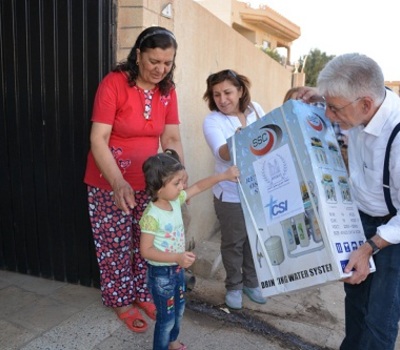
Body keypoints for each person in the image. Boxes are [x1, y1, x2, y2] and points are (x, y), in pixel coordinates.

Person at [84, 26, 186, 333]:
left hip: (150, 184)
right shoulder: (114, 83)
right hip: (108, 182)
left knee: (147, 241)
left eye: (167, 63)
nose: (160, 69)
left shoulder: (167, 92)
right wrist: (118, 183)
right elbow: (98, 139)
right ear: (138, 55)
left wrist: (178, 177)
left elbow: (171, 137)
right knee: (114, 245)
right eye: (154, 60)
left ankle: (143, 293)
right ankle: (121, 301)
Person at [296, 53, 400, 350]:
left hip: (394, 232)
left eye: (334, 107)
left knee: (380, 318)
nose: (328, 115)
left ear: (366, 104)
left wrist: (369, 248)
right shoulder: (365, 104)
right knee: (355, 302)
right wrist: (325, 96)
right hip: (361, 217)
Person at [140, 149, 240, 350]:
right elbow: (146, 251)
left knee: (178, 311)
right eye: (176, 183)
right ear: (158, 187)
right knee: (165, 319)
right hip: (161, 276)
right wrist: (176, 256)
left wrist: (224, 176)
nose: (182, 187)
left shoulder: (175, 201)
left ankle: (173, 342)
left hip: (177, 271)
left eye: (181, 182)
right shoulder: (152, 216)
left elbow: (199, 186)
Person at [202, 69, 267, 309]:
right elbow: (222, 153)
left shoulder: (256, 110)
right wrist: (239, 140)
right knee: (234, 243)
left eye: (227, 92)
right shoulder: (213, 120)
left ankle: (251, 283)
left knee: (254, 240)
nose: (222, 99)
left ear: (240, 91)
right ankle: (234, 286)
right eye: (216, 94)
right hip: (230, 194)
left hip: (258, 190)